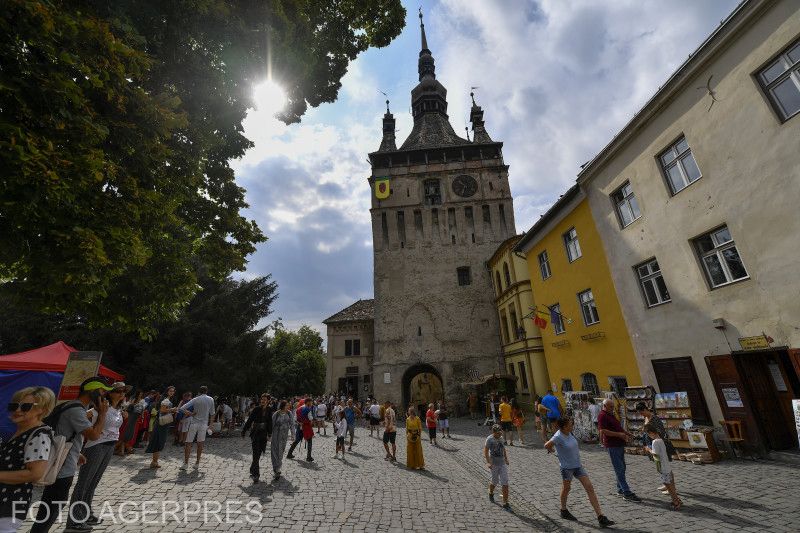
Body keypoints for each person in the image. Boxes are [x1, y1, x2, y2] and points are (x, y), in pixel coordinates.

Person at [31, 377, 111, 533]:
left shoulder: (71, 406)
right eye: (102, 392)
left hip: (64, 461)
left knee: (50, 507)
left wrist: (77, 453)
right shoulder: (76, 410)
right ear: (93, 391)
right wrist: (102, 414)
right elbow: (94, 435)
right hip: (61, 468)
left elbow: (66, 434)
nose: (104, 397)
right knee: (51, 508)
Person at [66, 382, 129, 530]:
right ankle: (74, 520)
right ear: (110, 393)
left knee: (93, 482)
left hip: (109, 446)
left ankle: (86, 513)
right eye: (118, 391)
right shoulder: (100, 406)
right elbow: (85, 417)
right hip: (96, 446)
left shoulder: (118, 409)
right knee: (84, 483)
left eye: (123, 391)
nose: (121, 394)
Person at [0, 387, 55, 533]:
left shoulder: (39, 435)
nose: (17, 410)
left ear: (42, 409)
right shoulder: (20, 430)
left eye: (25, 406)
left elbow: (34, 473)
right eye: (14, 406)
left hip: (8, 506)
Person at [545, 417, 614, 528]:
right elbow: (547, 445)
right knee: (567, 488)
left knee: (589, 487)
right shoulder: (558, 436)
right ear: (563, 427)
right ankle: (563, 510)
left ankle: (600, 517)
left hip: (578, 466)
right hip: (567, 468)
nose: (572, 426)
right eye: (570, 425)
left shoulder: (569, 433)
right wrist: (552, 450)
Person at [598, 398, 640, 502]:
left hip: (619, 444)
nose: (613, 408)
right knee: (619, 469)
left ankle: (620, 489)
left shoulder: (610, 414)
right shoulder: (602, 415)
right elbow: (603, 431)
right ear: (605, 406)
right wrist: (619, 434)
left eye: (613, 406)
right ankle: (626, 492)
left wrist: (626, 433)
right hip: (612, 445)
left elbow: (618, 428)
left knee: (622, 467)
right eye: (611, 407)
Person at [644, 423, 681, 510]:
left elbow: (655, 454)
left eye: (648, 434)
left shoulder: (655, 442)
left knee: (667, 484)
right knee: (670, 483)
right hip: (666, 464)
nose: (649, 436)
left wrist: (648, 449)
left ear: (651, 433)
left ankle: (676, 501)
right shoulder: (660, 439)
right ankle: (676, 498)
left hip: (662, 466)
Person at [179, 385, 215, 470]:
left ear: (199, 392)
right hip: (204, 424)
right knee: (200, 444)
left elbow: (182, 408)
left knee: (188, 443)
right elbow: (212, 413)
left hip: (194, 423)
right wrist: (211, 424)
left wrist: (190, 414)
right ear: (206, 391)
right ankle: (197, 463)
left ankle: (186, 463)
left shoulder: (195, 399)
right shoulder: (211, 399)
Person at [242, 394, 273, 482]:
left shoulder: (269, 409)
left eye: (264, 399)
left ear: (268, 400)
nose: (262, 401)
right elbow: (250, 420)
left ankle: (252, 468)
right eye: (262, 399)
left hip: (263, 433)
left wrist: (270, 433)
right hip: (255, 433)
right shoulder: (256, 409)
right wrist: (244, 431)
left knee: (258, 453)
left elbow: (270, 421)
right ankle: (256, 474)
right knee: (256, 453)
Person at [146, 385, 177, 469]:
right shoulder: (165, 399)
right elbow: (162, 410)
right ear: (167, 391)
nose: (172, 392)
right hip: (161, 423)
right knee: (158, 440)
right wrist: (172, 410)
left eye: (173, 391)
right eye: (170, 391)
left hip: (163, 422)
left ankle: (154, 461)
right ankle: (154, 461)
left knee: (159, 441)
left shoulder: (167, 399)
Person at [484, 424, 510, 509]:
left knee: (505, 482)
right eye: (498, 433)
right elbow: (486, 451)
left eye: (500, 433)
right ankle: (491, 492)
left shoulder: (501, 438)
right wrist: (488, 462)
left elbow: (503, 449)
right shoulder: (489, 439)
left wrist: (506, 459)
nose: (499, 435)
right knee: (494, 481)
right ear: (493, 432)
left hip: (502, 463)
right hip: (494, 464)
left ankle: (505, 502)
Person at [270, 401, 291, 479]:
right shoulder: (276, 413)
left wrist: (293, 434)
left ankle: (278, 466)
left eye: (288, 405)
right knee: (275, 450)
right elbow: (272, 424)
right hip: (276, 433)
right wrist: (269, 434)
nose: (288, 407)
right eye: (287, 405)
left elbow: (292, 423)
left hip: (284, 435)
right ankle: (276, 468)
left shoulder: (289, 413)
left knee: (281, 450)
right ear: (283, 406)